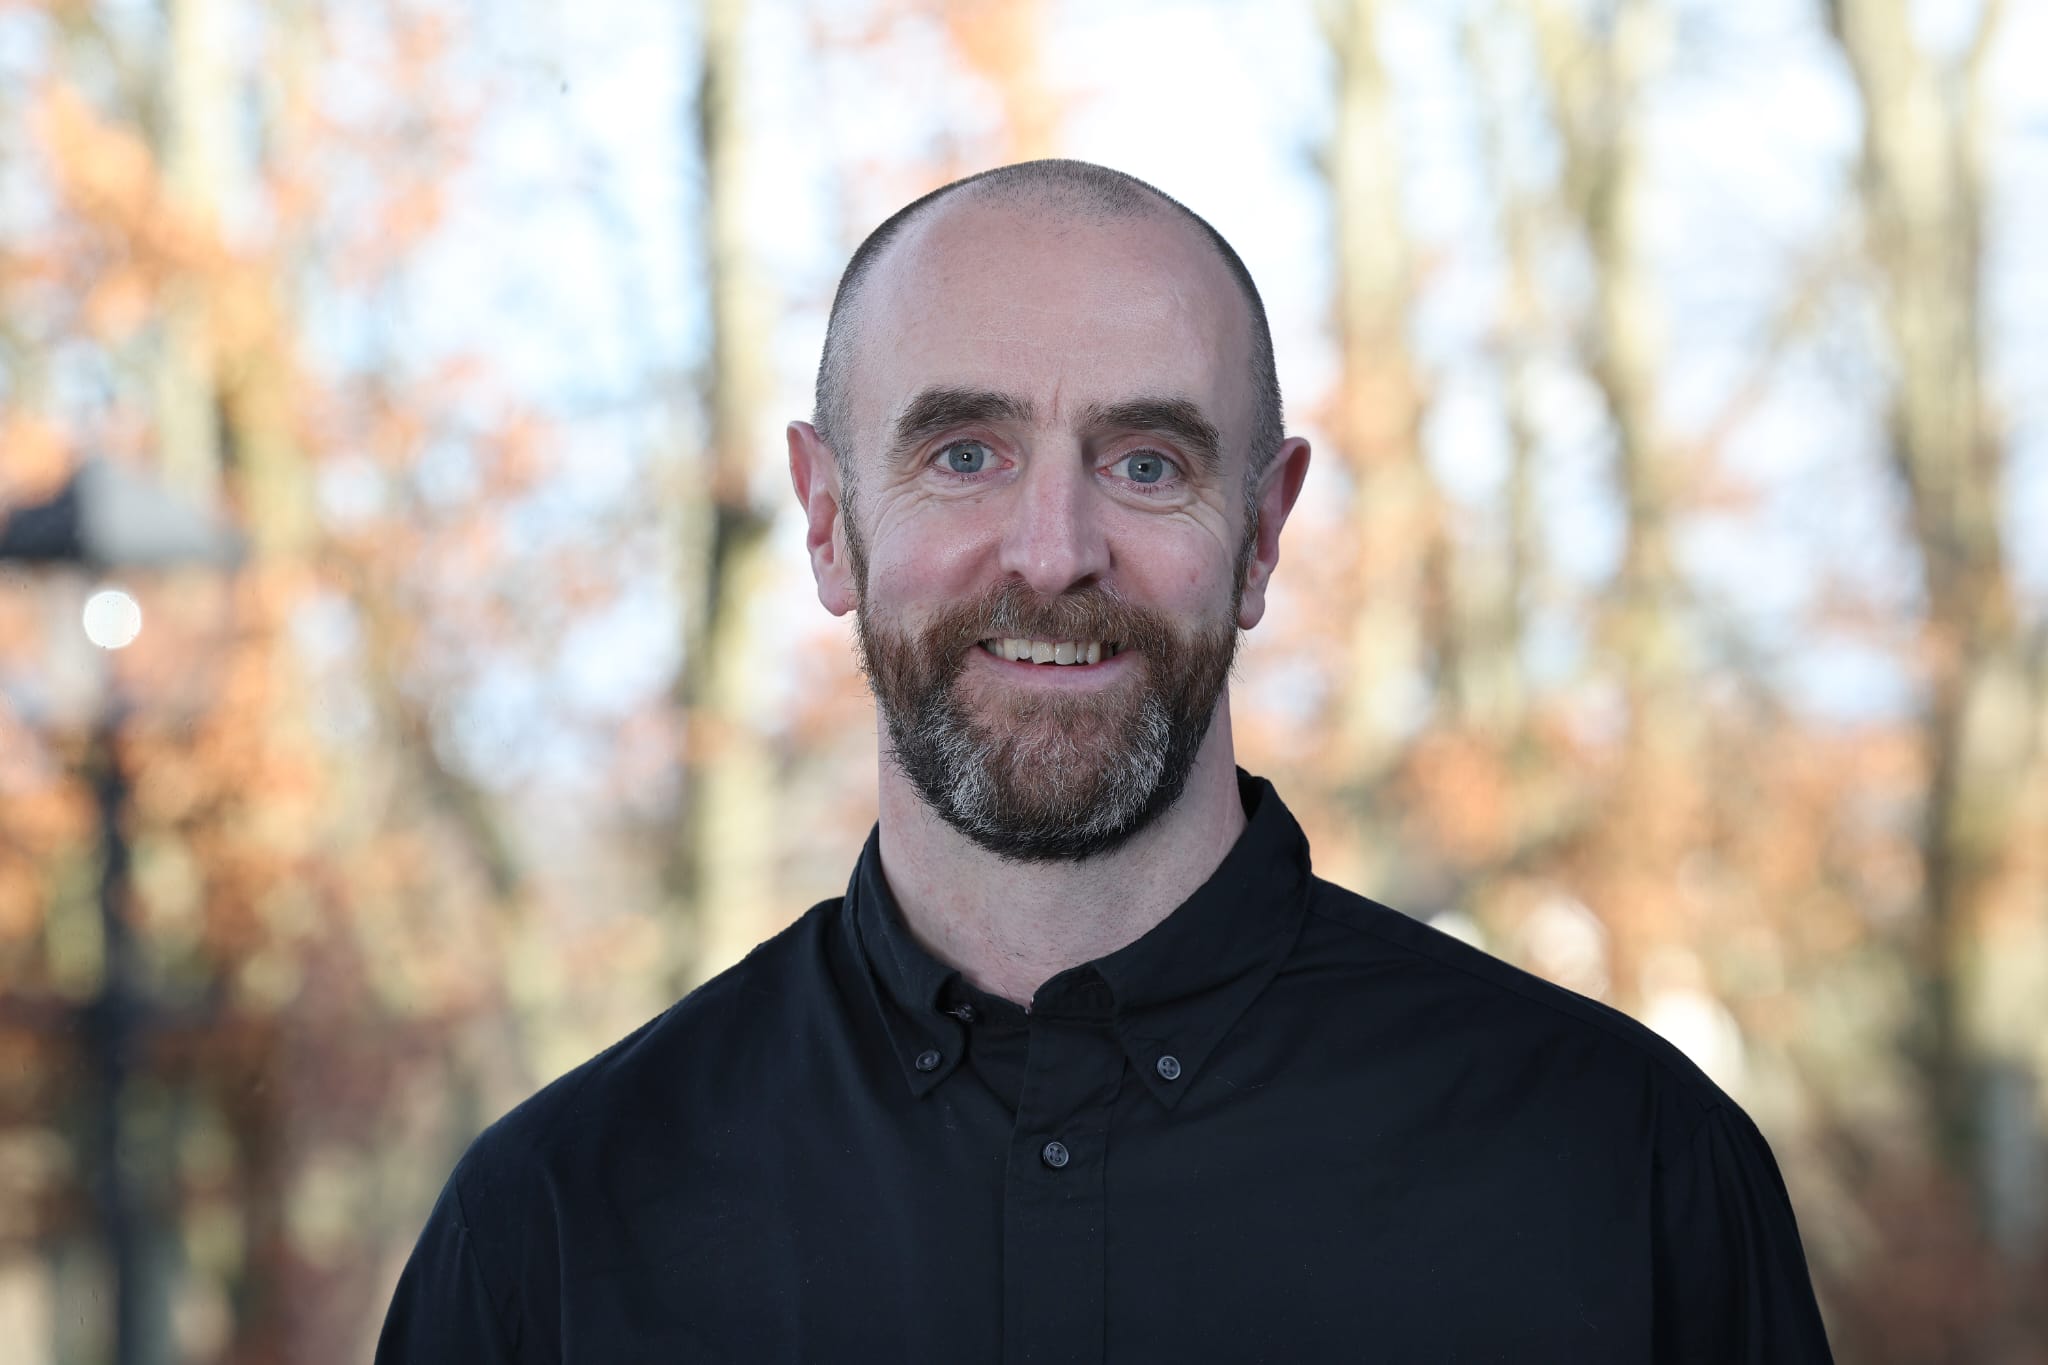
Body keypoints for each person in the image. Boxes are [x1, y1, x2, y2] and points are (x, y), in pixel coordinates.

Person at [377, 160, 1835, 1363]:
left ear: (1261, 534)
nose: (1055, 553)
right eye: (965, 453)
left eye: (1147, 463)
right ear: (826, 518)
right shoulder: (555, 1233)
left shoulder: (1623, 1172)